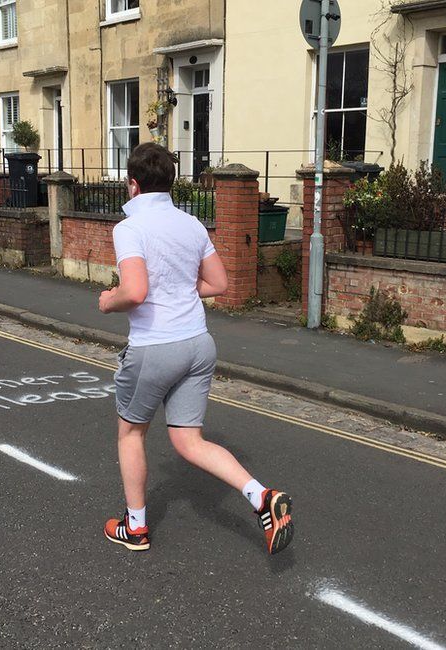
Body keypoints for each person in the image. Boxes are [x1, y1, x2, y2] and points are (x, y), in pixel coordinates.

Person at [99, 143, 294, 555]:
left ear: (133, 185)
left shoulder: (129, 229)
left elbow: (134, 291)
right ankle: (261, 497)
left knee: (131, 433)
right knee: (189, 441)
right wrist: (177, 291)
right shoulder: (191, 224)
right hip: (198, 344)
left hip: (156, 346)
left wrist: (108, 299)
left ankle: (135, 528)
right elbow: (219, 284)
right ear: (170, 181)